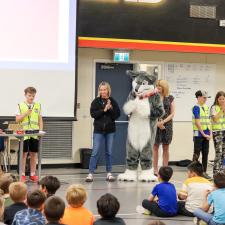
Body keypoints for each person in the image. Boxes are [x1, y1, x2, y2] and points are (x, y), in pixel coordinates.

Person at [86, 82, 120, 182]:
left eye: (104, 89)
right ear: (99, 91)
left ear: (108, 90)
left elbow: (116, 115)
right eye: (101, 90)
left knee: (109, 152)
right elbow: (93, 114)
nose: (103, 91)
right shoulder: (95, 102)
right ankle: (90, 174)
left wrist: (110, 109)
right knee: (95, 152)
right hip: (98, 131)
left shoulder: (112, 101)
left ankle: (109, 173)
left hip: (110, 131)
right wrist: (104, 110)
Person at [16, 87, 43, 183]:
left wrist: (40, 131)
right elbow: (17, 119)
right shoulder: (20, 105)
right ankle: (22, 174)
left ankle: (32, 174)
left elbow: (40, 119)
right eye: (29, 95)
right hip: (23, 134)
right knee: (23, 155)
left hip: (34, 134)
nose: (31, 97)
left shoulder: (38, 105)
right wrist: (25, 113)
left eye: (33, 96)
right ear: (25, 95)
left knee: (33, 154)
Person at [153, 80, 175, 175]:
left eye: (160, 86)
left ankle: (165, 169)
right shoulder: (153, 97)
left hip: (167, 125)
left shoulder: (170, 98)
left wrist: (163, 122)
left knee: (166, 147)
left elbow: (172, 113)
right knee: (155, 147)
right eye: (157, 86)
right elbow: (151, 111)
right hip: (156, 124)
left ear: (164, 87)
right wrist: (157, 122)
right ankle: (155, 170)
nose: (158, 87)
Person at [192, 90, 211, 179]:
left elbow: (208, 121)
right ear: (198, 97)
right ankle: (193, 172)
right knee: (196, 154)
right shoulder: (196, 107)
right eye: (204, 97)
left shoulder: (207, 107)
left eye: (206, 98)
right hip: (198, 134)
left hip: (206, 134)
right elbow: (197, 122)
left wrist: (210, 133)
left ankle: (204, 173)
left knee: (205, 153)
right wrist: (203, 134)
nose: (205, 99)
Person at [210, 91, 225, 175]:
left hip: (224, 131)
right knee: (219, 153)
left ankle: (222, 172)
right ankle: (216, 173)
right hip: (217, 132)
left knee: (224, 153)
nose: (222, 100)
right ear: (217, 99)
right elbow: (215, 119)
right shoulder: (214, 108)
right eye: (220, 99)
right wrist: (222, 109)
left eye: (223, 99)